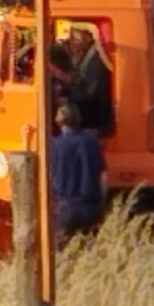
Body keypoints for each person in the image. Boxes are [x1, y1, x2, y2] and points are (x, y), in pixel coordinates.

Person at [47, 101, 106, 243]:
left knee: (62, 253)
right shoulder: (92, 143)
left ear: (58, 121)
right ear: (78, 119)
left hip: (66, 206)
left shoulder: (54, 145)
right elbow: (103, 176)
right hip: (91, 206)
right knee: (89, 250)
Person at [62, 26, 115, 135]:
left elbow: (91, 91)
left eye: (75, 39)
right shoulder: (84, 55)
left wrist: (69, 97)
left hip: (90, 110)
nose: (71, 42)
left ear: (87, 38)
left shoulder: (95, 58)